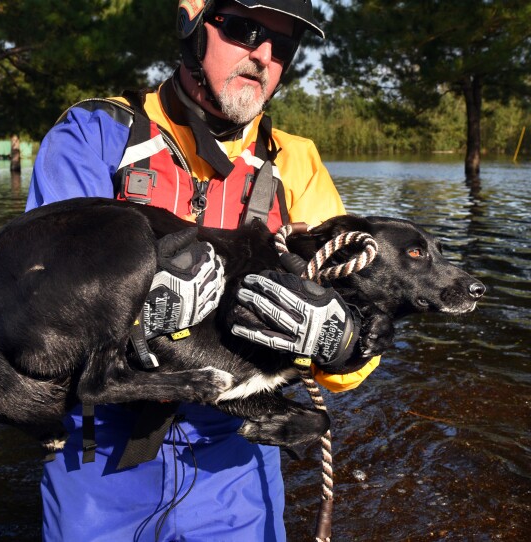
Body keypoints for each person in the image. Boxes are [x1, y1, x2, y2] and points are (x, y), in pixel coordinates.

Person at [26, 1, 382, 540]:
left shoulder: (296, 164)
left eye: (282, 47)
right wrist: (141, 320)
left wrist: (346, 340)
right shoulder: (94, 135)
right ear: (192, 23)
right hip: (101, 445)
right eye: (244, 29)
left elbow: (347, 356)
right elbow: (42, 304)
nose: (262, 56)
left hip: (236, 450)